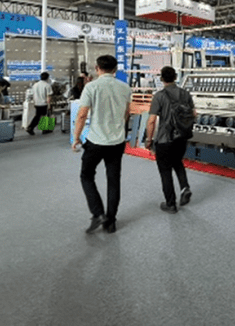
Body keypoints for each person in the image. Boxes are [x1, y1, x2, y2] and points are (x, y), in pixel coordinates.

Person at [72, 55, 132, 233]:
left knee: (86, 175)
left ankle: (98, 213)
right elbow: (126, 113)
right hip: (117, 142)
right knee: (113, 180)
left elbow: (82, 115)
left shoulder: (91, 87)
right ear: (115, 69)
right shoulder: (125, 87)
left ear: (97, 68)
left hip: (96, 141)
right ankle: (111, 221)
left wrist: (76, 138)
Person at [145, 66, 196, 213]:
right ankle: (185, 187)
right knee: (177, 162)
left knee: (165, 170)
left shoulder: (159, 96)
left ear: (161, 79)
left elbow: (151, 121)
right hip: (181, 138)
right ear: (175, 77)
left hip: (164, 139)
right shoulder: (185, 94)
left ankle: (171, 204)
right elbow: (194, 114)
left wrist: (149, 139)